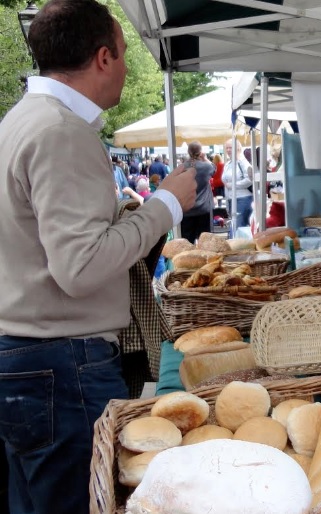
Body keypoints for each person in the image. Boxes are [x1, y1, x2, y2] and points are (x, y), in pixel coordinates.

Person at [0, 2, 197, 514]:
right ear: (104, 58)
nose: (128, 67)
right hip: (64, 364)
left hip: (34, 358)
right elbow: (81, 267)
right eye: (126, 54)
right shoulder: (61, 131)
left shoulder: (22, 121)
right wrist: (165, 205)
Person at [181, 141, 215, 243]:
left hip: (187, 209)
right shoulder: (206, 167)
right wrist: (205, 158)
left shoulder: (181, 168)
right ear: (201, 152)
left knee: (187, 242)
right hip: (203, 208)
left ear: (188, 152)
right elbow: (214, 168)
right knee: (205, 241)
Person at [222, 139, 254, 228]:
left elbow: (250, 180)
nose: (228, 150)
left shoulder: (243, 162)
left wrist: (232, 185)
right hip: (231, 199)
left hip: (243, 199)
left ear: (238, 148)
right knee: (235, 226)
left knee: (239, 227)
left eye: (230, 148)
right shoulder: (228, 164)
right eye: (227, 148)